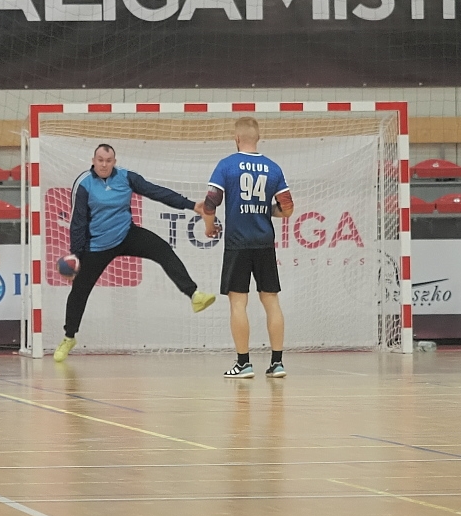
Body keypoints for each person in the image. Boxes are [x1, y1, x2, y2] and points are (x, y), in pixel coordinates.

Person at [53, 144, 216, 362]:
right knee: (79, 292)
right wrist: (75, 255)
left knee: (162, 249)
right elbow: (78, 222)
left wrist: (191, 205)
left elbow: (156, 192)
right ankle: (69, 337)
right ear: (93, 161)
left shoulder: (126, 177)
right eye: (100, 160)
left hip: (126, 234)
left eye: (108, 161)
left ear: (114, 162)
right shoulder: (84, 184)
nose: (104, 164)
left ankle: (194, 294)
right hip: (97, 245)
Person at [201, 117, 294, 378]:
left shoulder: (227, 165)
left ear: (236, 138)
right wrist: (266, 211)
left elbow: (210, 203)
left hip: (237, 243)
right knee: (271, 301)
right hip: (264, 243)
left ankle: (243, 364)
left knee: (238, 303)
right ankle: (277, 363)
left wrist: (209, 227)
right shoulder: (273, 168)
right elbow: (288, 208)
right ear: (258, 138)